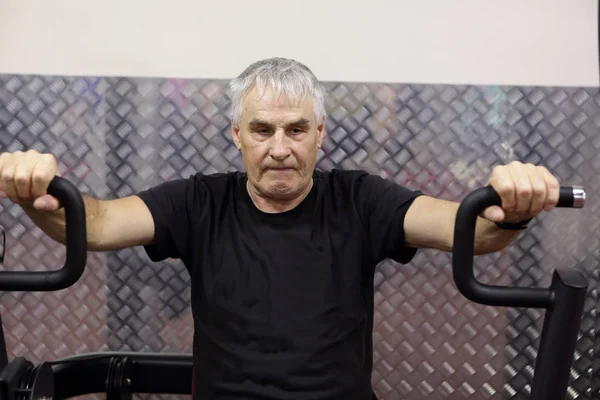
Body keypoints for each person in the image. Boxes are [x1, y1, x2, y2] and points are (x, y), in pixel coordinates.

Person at [0, 57, 560, 399]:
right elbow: (93, 224)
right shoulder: (200, 201)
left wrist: (514, 206)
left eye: (296, 130)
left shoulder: (360, 200)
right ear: (237, 135)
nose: (279, 148)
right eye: (262, 129)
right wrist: (36, 193)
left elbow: (472, 232)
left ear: (320, 133)